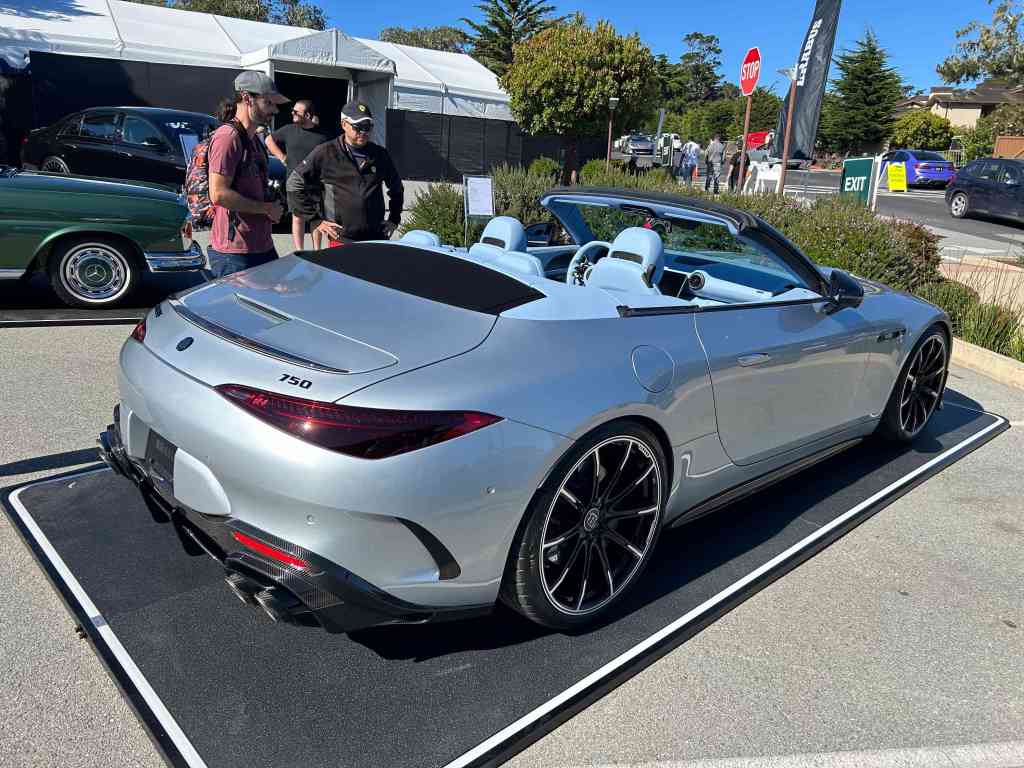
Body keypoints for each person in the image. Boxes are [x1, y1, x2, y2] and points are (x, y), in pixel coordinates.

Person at [287, 100, 404, 246]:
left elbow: (396, 188)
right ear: (344, 124)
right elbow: (294, 183)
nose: (363, 132)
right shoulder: (326, 152)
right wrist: (315, 219)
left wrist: (394, 219)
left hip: (376, 238)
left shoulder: (380, 155)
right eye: (358, 127)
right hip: (341, 239)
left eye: (368, 127)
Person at [205, 71, 287, 278]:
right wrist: (266, 208)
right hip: (234, 254)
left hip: (261, 246)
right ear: (247, 98)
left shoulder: (254, 140)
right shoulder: (227, 138)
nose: (275, 110)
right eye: (269, 103)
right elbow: (218, 194)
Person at [266, 99, 329, 251]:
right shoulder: (288, 130)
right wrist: (282, 157)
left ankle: (317, 252)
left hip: (316, 184)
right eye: (292, 110)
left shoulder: (323, 136)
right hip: (294, 183)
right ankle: (299, 251)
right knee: (297, 217)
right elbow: (269, 140)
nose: (292, 113)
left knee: (316, 219)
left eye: (296, 112)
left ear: (307, 115)